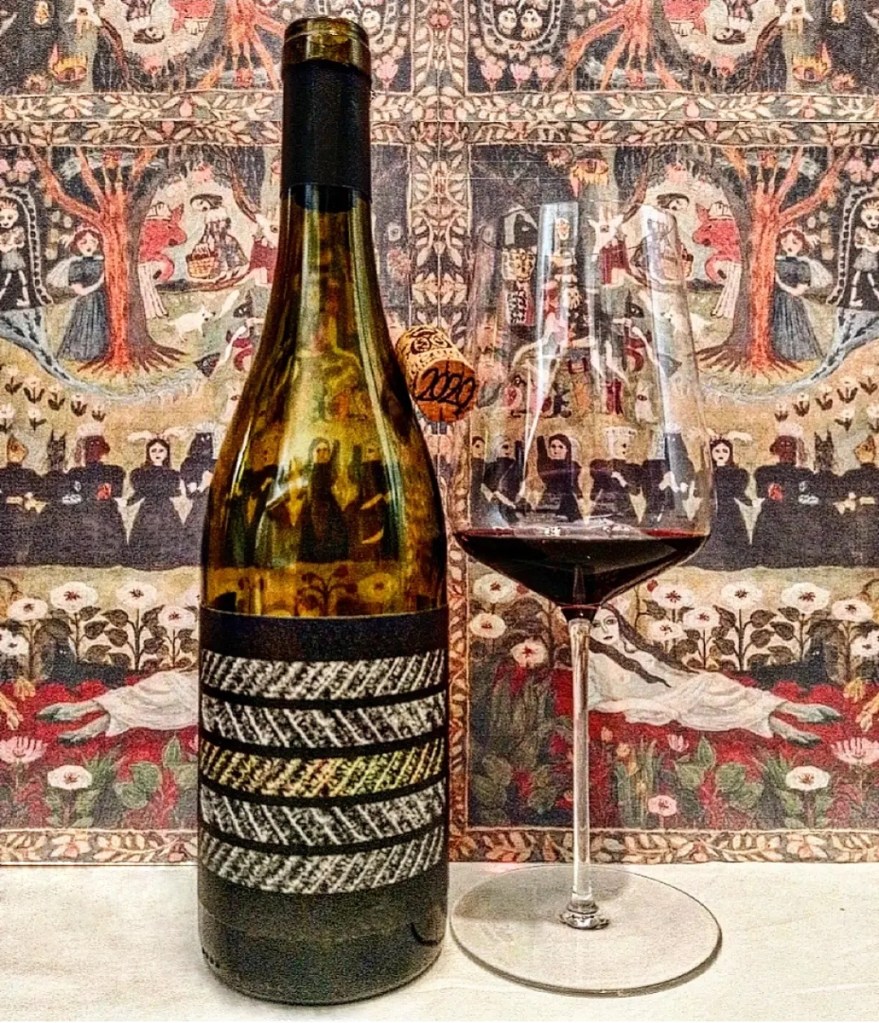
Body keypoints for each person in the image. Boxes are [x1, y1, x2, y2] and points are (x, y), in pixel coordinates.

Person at [589, 607, 839, 745]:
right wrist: (651, 705)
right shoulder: (590, 660)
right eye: (595, 625)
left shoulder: (633, 646)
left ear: (619, 622)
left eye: (610, 622)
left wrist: (690, 679)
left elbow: (666, 670)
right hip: (650, 706)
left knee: (714, 696)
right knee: (711, 684)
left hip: (677, 693)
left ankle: (786, 727)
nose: (605, 630)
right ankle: (791, 711)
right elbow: (598, 703)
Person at [688, 436, 753, 570]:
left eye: (725, 451)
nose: (721, 454)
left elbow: (738, 493)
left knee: (731, 532)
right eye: (717, 451)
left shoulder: (737, 473)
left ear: (730, 453)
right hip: (709, 508)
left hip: (730, 510)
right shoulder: (704, 473)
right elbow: (698, 493)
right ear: (711, 453)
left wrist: (750, 502)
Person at [127, 436, 185, 569]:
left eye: (161, 450)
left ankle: (166, 560)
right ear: (148, 453)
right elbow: (140, 493)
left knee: (167, 531)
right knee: (147, 530)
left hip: (166, 509)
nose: (157, 454)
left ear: (167, 453)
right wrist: (128, 502)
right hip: (148, 509)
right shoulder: (141, 473)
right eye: (153, 450)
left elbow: (175, 492)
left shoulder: (173, 474)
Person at [57, 228, 110, 363]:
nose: (88, 246)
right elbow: (80, 291)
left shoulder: (102, 262)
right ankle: (86, 354)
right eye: (83, 242)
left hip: (104, 301)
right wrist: (100, 282)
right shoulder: (76, 265)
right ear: (77, 245)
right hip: (87, 303)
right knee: (87, 326)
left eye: (93, 242)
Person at [772, 228, 822, 363]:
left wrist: (779, 283)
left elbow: (798, 291)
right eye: (785, 241)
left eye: (795, 242)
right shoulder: (777, 261)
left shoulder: (802, 265)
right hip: (774, 301)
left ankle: (792, 354)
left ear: (802, 245)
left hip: (791, 303)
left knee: (791, 327)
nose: (789, 246)